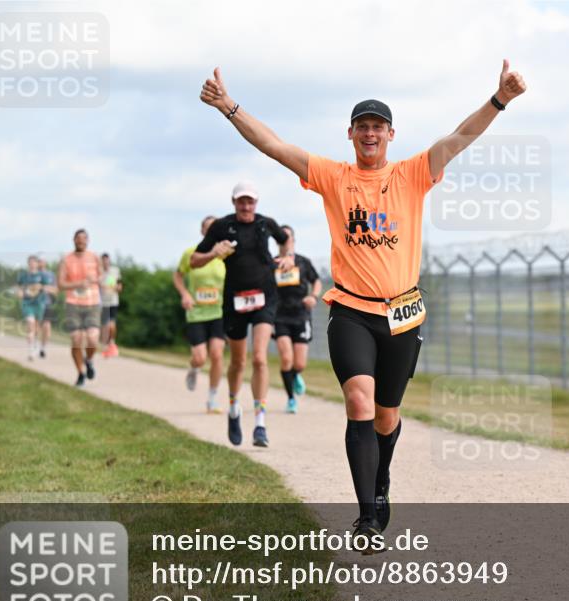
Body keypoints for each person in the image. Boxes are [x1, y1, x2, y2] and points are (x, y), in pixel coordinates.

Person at [200, 60, 527, 546]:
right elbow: (274, 146)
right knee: (359, 401)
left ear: (390, 134)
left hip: (400, 314)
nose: (370, 134)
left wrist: (499, 99)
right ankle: (368, 517)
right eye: (362, 127)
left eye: (378, 127)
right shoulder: (332, 176)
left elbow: (460, 137)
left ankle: (381, 480)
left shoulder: (415, 173)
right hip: (351, 310)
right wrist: (229, 106)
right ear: (350, 134)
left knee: (387, 416)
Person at [189, 184, 294, 447]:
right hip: (235, 300)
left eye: (250, 202)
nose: (246, 207)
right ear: (234, 203)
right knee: (238, 362)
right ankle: (234, 408)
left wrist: (288, 257)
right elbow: (194, 260)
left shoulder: (265, 224)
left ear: (256, 203)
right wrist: (214, 252)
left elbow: (284, 239)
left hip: (264, 297)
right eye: (241, 202)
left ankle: (260, 422)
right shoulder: (222, 227)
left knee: (259, 358)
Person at [174, 216, 227, 413]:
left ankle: (212, 399)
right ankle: (194, 369)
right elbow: (178, 275)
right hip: (196, 312)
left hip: (219, 311)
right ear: (202, 231)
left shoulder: (226, 254)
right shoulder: (191, 253)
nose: (212, 231)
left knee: (217, 354)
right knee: (200, 357)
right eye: (208, 228)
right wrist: (185, 293)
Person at [273, 225, 322, 414]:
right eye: (281, 237)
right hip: (280, 316)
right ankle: (291, 399)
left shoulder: (303, 262)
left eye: (287, 237)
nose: (284, 241)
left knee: (299, 363)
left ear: (293, 240)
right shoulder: (272, 263)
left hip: (301, 314)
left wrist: (314, 296)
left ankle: (295, 375)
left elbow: (316, 281)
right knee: (286, 359)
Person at [58, 229, 103, 386]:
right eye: (78, 239)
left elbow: (103, 277)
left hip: (92, 303)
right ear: (74, 240)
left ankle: (89, 360)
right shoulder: (66, 260)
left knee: (92, 338)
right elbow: (61, 284)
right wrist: (79, 283)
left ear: (88, 241)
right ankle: (81, 373)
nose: (81, 241)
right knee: (76, 340)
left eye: (84, 239)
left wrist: (106, 282)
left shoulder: (94, 257)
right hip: (73, 303)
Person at [16, 255, 47, 360]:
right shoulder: (23, 276)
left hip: (39, 304)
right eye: (30, 262)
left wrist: (40, 287)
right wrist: (20, 292)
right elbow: (19, 287)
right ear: (28, 263)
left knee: (37, 328)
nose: (32, 264)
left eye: (34, 262)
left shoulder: (42, 276)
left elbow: (48, 287)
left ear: (37, 264)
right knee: (30, 324)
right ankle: (30, 351)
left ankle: (36, 344)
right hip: (27, 303)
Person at [99, 253, 122, 358]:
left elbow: (119, 286)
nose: (105, 263)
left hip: (113, 301)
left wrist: (114, 287)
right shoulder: (99, 272)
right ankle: (105, 347)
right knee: (104, 326)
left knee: (111, 324)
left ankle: (112, 343)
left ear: (109, 261)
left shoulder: (115, 271)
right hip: (103, 303)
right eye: (103, 261)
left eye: (107, 260)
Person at [37, 257, 58, 358]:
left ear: (45, 262)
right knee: (36, 327)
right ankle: (34, 344)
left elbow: (56, 290)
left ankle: (43, 348)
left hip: (47, 303)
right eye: (38, 261)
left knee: (47, 327)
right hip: (34, 304)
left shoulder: (51, 275)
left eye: (41, 261)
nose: (40, 263)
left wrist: (46, 288)